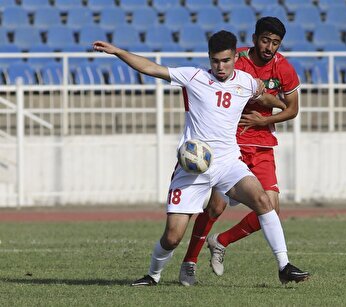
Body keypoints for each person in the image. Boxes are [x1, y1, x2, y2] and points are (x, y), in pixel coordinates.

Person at [93, 30, 309, 286]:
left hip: (228, 163)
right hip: (194, 167)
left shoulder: (246, 81)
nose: (220, 66)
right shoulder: (194, 76)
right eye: (216, 61)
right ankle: (153, 275)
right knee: (172, 237)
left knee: (264, 201)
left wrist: (282, 104)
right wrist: (118, 52)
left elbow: (260, 95)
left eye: (226, 60)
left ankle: (284, 266)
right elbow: (152, 68)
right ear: (209, 58)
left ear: (233, 58)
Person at [179, 17, 306, 286]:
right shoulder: (233, 59)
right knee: (215, 207)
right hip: (231, 144)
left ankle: (221, 242)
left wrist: (264, 120)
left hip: (261, 145)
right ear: (255, 37)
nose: (270, 47)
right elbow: (205, 85)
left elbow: (292, 109)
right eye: (265, 40)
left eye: (275, 43)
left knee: (270, 207)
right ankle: (190, 261)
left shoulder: (283, 67)